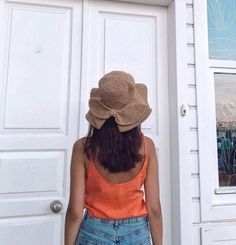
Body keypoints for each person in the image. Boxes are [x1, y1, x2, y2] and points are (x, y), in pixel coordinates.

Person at [64, 71, 163, 245]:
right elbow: (154, 208)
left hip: (94, 232)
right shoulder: (147, 146)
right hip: (136, 233)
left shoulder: (82, 148)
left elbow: (74, 211)